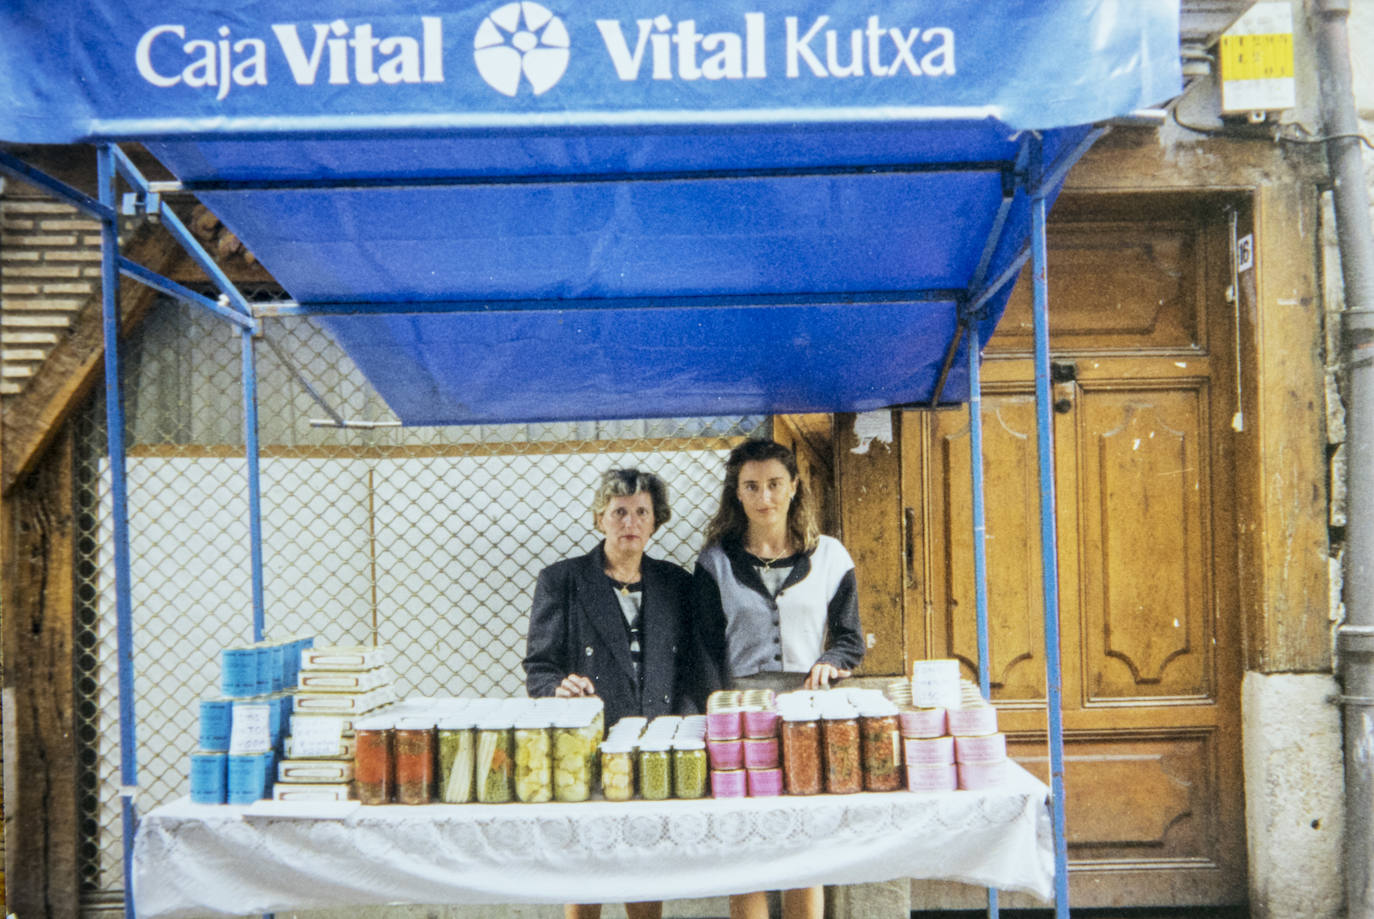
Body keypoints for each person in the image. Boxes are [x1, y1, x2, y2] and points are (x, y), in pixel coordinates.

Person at [693, 438, 865, 919]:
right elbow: (704, 647)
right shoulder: (715, 562)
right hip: (738, 710)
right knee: (745, 840)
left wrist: (830, 659)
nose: (764, 497)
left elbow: (850, 638)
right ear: (737, 493)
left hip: (806, 709)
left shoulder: (830, 555)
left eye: (774, 484)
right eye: (752, 486)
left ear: (794, 487)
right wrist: (716, 709)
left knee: (804, 838)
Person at [524, 467, 699, 919]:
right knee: (588, 860)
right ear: (600, 517)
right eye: (620, 512)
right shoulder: (562, 581)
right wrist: (557, 688)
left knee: (646, 861)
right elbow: (540, 669)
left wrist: (682, 730)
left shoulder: (676, 584)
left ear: (656, 521)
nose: (631, 523)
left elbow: (693, 669)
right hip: (590, 746)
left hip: (654, 746)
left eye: (642, 512)